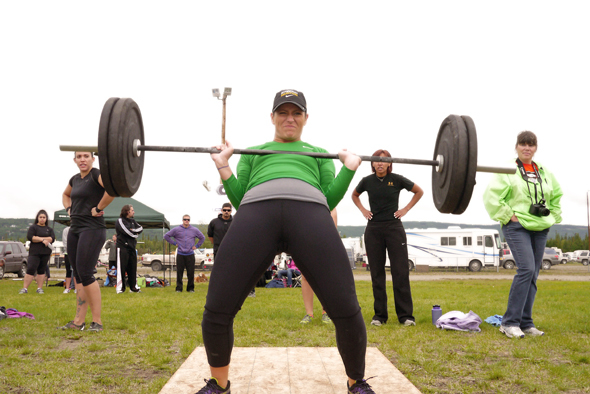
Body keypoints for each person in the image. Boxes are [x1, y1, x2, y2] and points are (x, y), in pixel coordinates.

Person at [198, 89, 375, 394]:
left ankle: (356, 384)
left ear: (306, 118)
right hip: (256, 211)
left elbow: (328, 196)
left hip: (310, 213)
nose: (289, 118)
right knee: (217, 306)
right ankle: (218, 384)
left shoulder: (319, 153)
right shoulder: (253, 152)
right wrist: (222, 164)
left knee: (345, 307)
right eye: (283, 112)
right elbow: (239, 198)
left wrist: (349, 167)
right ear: (272, 117)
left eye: (296, 113)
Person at [484, 131, 562, 338]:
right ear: (517, 146)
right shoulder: (508, 169)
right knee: (526, 269)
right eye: (523, 144)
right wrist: (509, 216)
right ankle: (509, 323)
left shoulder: (543, 171)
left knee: (534, 273)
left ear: (536, 148)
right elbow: (491, 196)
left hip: (540, 226)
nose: (527, 148)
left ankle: (526, 323)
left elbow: (556, 195)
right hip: (517, 226)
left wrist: (553, 216)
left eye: (531, 144)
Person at [352, 149, 424, 327]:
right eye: (377, 160)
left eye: (384, 161)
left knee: (400, 272)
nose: (380, 163)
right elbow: (354, 195)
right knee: (377, 274)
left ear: (390, 163)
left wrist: (405, 209)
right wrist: (362, 210)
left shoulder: (397, 180)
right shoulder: (367, 181)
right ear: (373, 163)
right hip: (373, 229)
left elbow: (418, 191)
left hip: (394, 228)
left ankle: (406, 316)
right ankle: (380, 316)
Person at [59, 151, 114, 332]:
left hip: (92, 228)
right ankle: (78, 321)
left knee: (86, 272)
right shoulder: (74, 179)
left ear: (93, 158)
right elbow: (65, 195)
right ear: (74, 160)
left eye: (86, 156)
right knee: (78, 275)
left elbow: (111, 191)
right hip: (75, 229)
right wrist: (69, 209)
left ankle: (97, 321)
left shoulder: (96, 174)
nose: (82, 159)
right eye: (79, 156)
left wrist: (98, 207)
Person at [300, 208, 338, 324]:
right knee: (305, 277)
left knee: (325, 278)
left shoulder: (330, 206)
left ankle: (326, 312)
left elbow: (333, 229)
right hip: (306, 243)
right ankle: (309, 313)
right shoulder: (304, 205)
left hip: (324, 244)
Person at [164, 215, 205, 293]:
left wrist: (196, 246)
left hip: (190, 254)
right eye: (185, 219)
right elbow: (166, 236)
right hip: (180, 254)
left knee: (191, 272)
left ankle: (190, 288)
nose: (186, 221)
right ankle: (179, 288)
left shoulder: (194, 230)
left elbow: (202, 237)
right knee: (179, 272)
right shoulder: (176, 229)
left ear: (189, 220)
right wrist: (174, 243)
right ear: (182, 220)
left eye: (188, 219)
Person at [20, 210, 55, 294]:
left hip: (45, 253)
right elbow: (31, 237)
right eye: (40, 217)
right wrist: (42, 239)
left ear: (46, 219)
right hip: (34, 253)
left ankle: (39, 288)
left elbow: (52, 239)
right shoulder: (33, 227)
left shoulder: (49, 229)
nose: (42, 219)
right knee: (31, 269)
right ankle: (25, 288)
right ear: (37, 218)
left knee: (41, 270)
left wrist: (38, 238)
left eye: (44, 217)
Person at [115, 204, 144, 293]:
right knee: (121, 269)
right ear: (127, 211)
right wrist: (135, 234)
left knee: (133, 268)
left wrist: (133, 230)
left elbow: (141, 228)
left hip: (132, 247)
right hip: (122, 247)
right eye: (132, 210)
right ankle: (120, 288)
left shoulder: (132, 221)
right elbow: (127, 232)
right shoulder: (120, 221)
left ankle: (133, 287)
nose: (134, 212)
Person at [62, 226, 75, 293]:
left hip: (78, 253)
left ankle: (77, 288)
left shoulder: (81, 228)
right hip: (68, 253)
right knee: (68, 271)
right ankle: (67, 288)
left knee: (76, 271)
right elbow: (65, 242)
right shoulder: (66, 230)